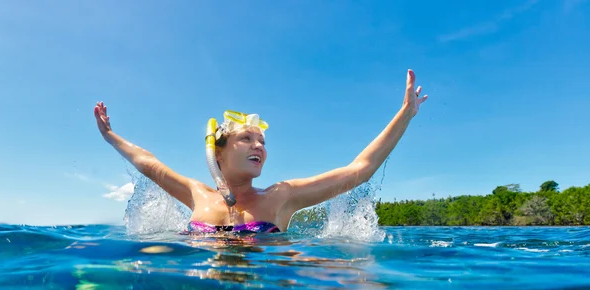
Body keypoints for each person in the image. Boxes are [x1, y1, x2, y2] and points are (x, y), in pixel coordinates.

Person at [93, 70, 428, 234]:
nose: (259, 147)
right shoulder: (198, 194)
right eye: (248, 140)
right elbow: (148, 163)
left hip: (272, 289)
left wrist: (405, 115)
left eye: (263, 143)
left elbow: (360, 169)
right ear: (218, 154)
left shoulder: (282, 196)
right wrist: (110, 137)